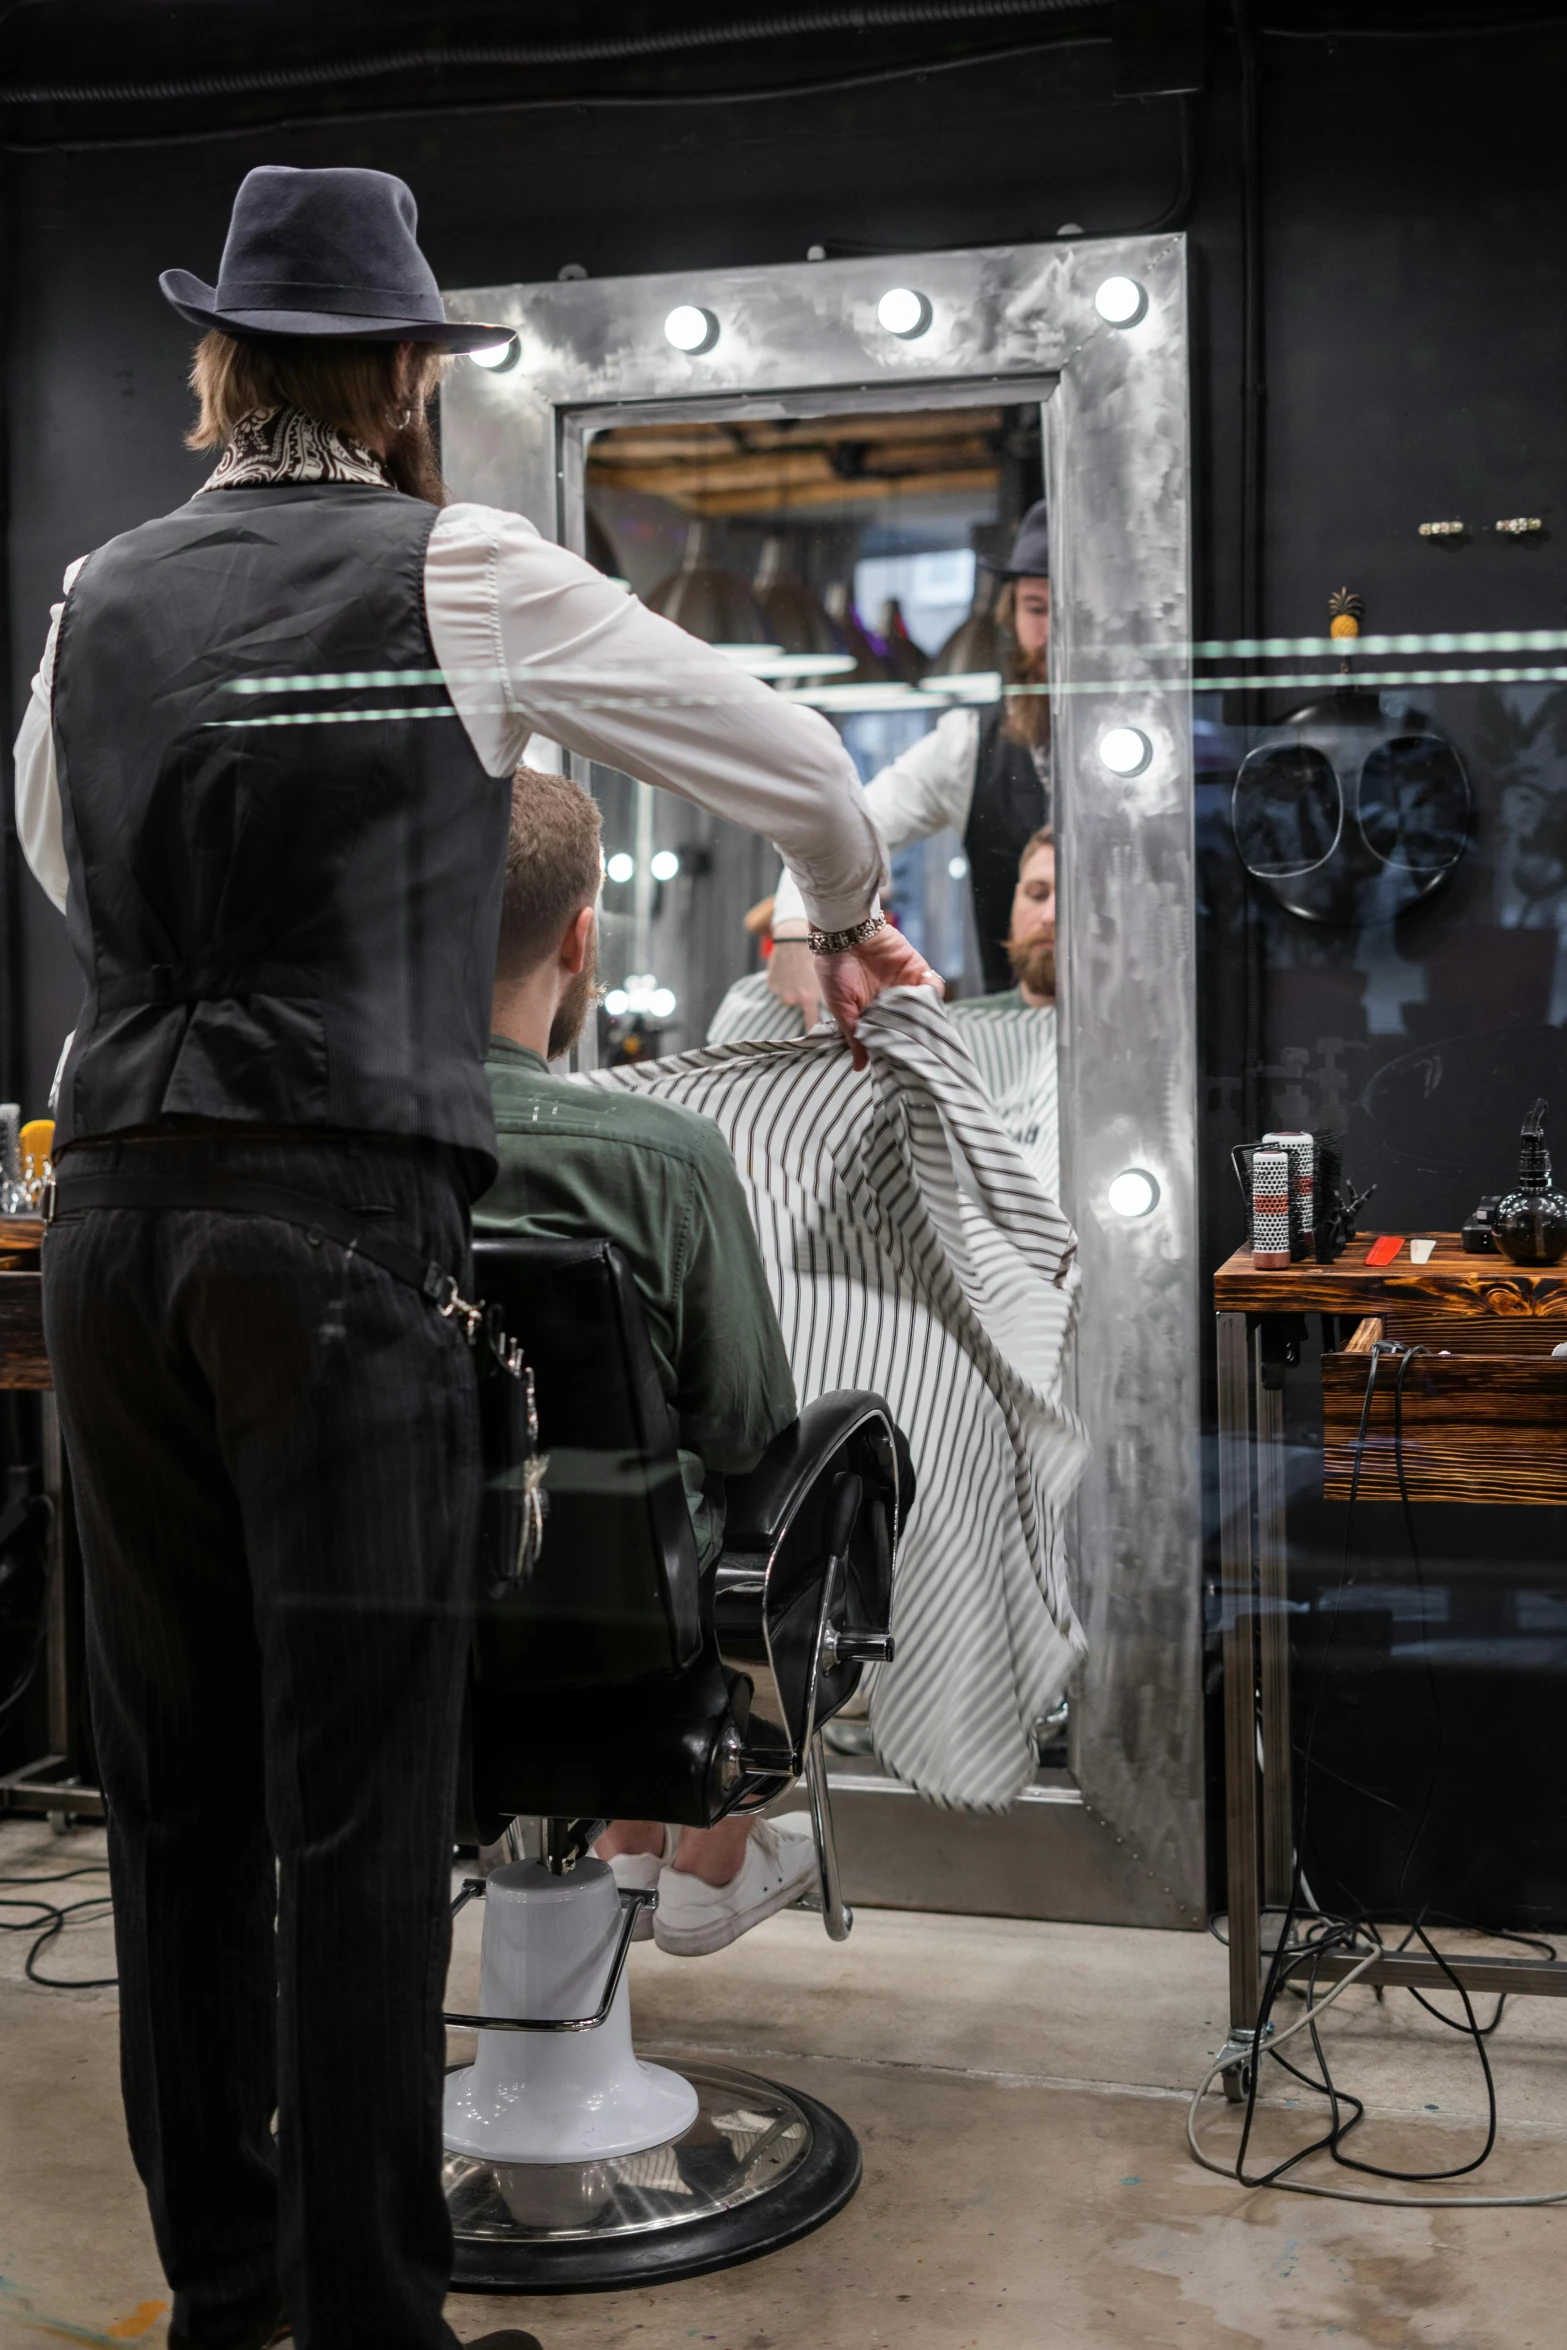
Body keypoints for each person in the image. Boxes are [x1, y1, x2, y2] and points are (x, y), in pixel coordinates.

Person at [16, 165, 936, 2350]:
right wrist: (822, 915)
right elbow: (801, 760)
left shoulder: (97, 592)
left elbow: (65, 849)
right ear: (413, 373)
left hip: (115, 1210)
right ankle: (373, 2330)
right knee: (354, 1815)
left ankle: (229, 2300)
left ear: (218, 366)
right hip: (331, 1230)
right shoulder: (468, 568)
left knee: (169, 1801)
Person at [477, 767, 821, 1953]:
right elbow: (743, 1428)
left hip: (376, 1621)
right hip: (617, 1637)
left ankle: (629, 1849)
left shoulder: (340, 1144)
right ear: (581, 938)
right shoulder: (663, 1155)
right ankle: (703, 1849)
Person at [767, 497, 1053, 1020]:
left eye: (1070, 611)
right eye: (1037, 608)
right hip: (1019, 1039)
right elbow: (848, 829)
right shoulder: (969, 745)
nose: (1053, 633)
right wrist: (793, 927)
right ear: (1011, 613)